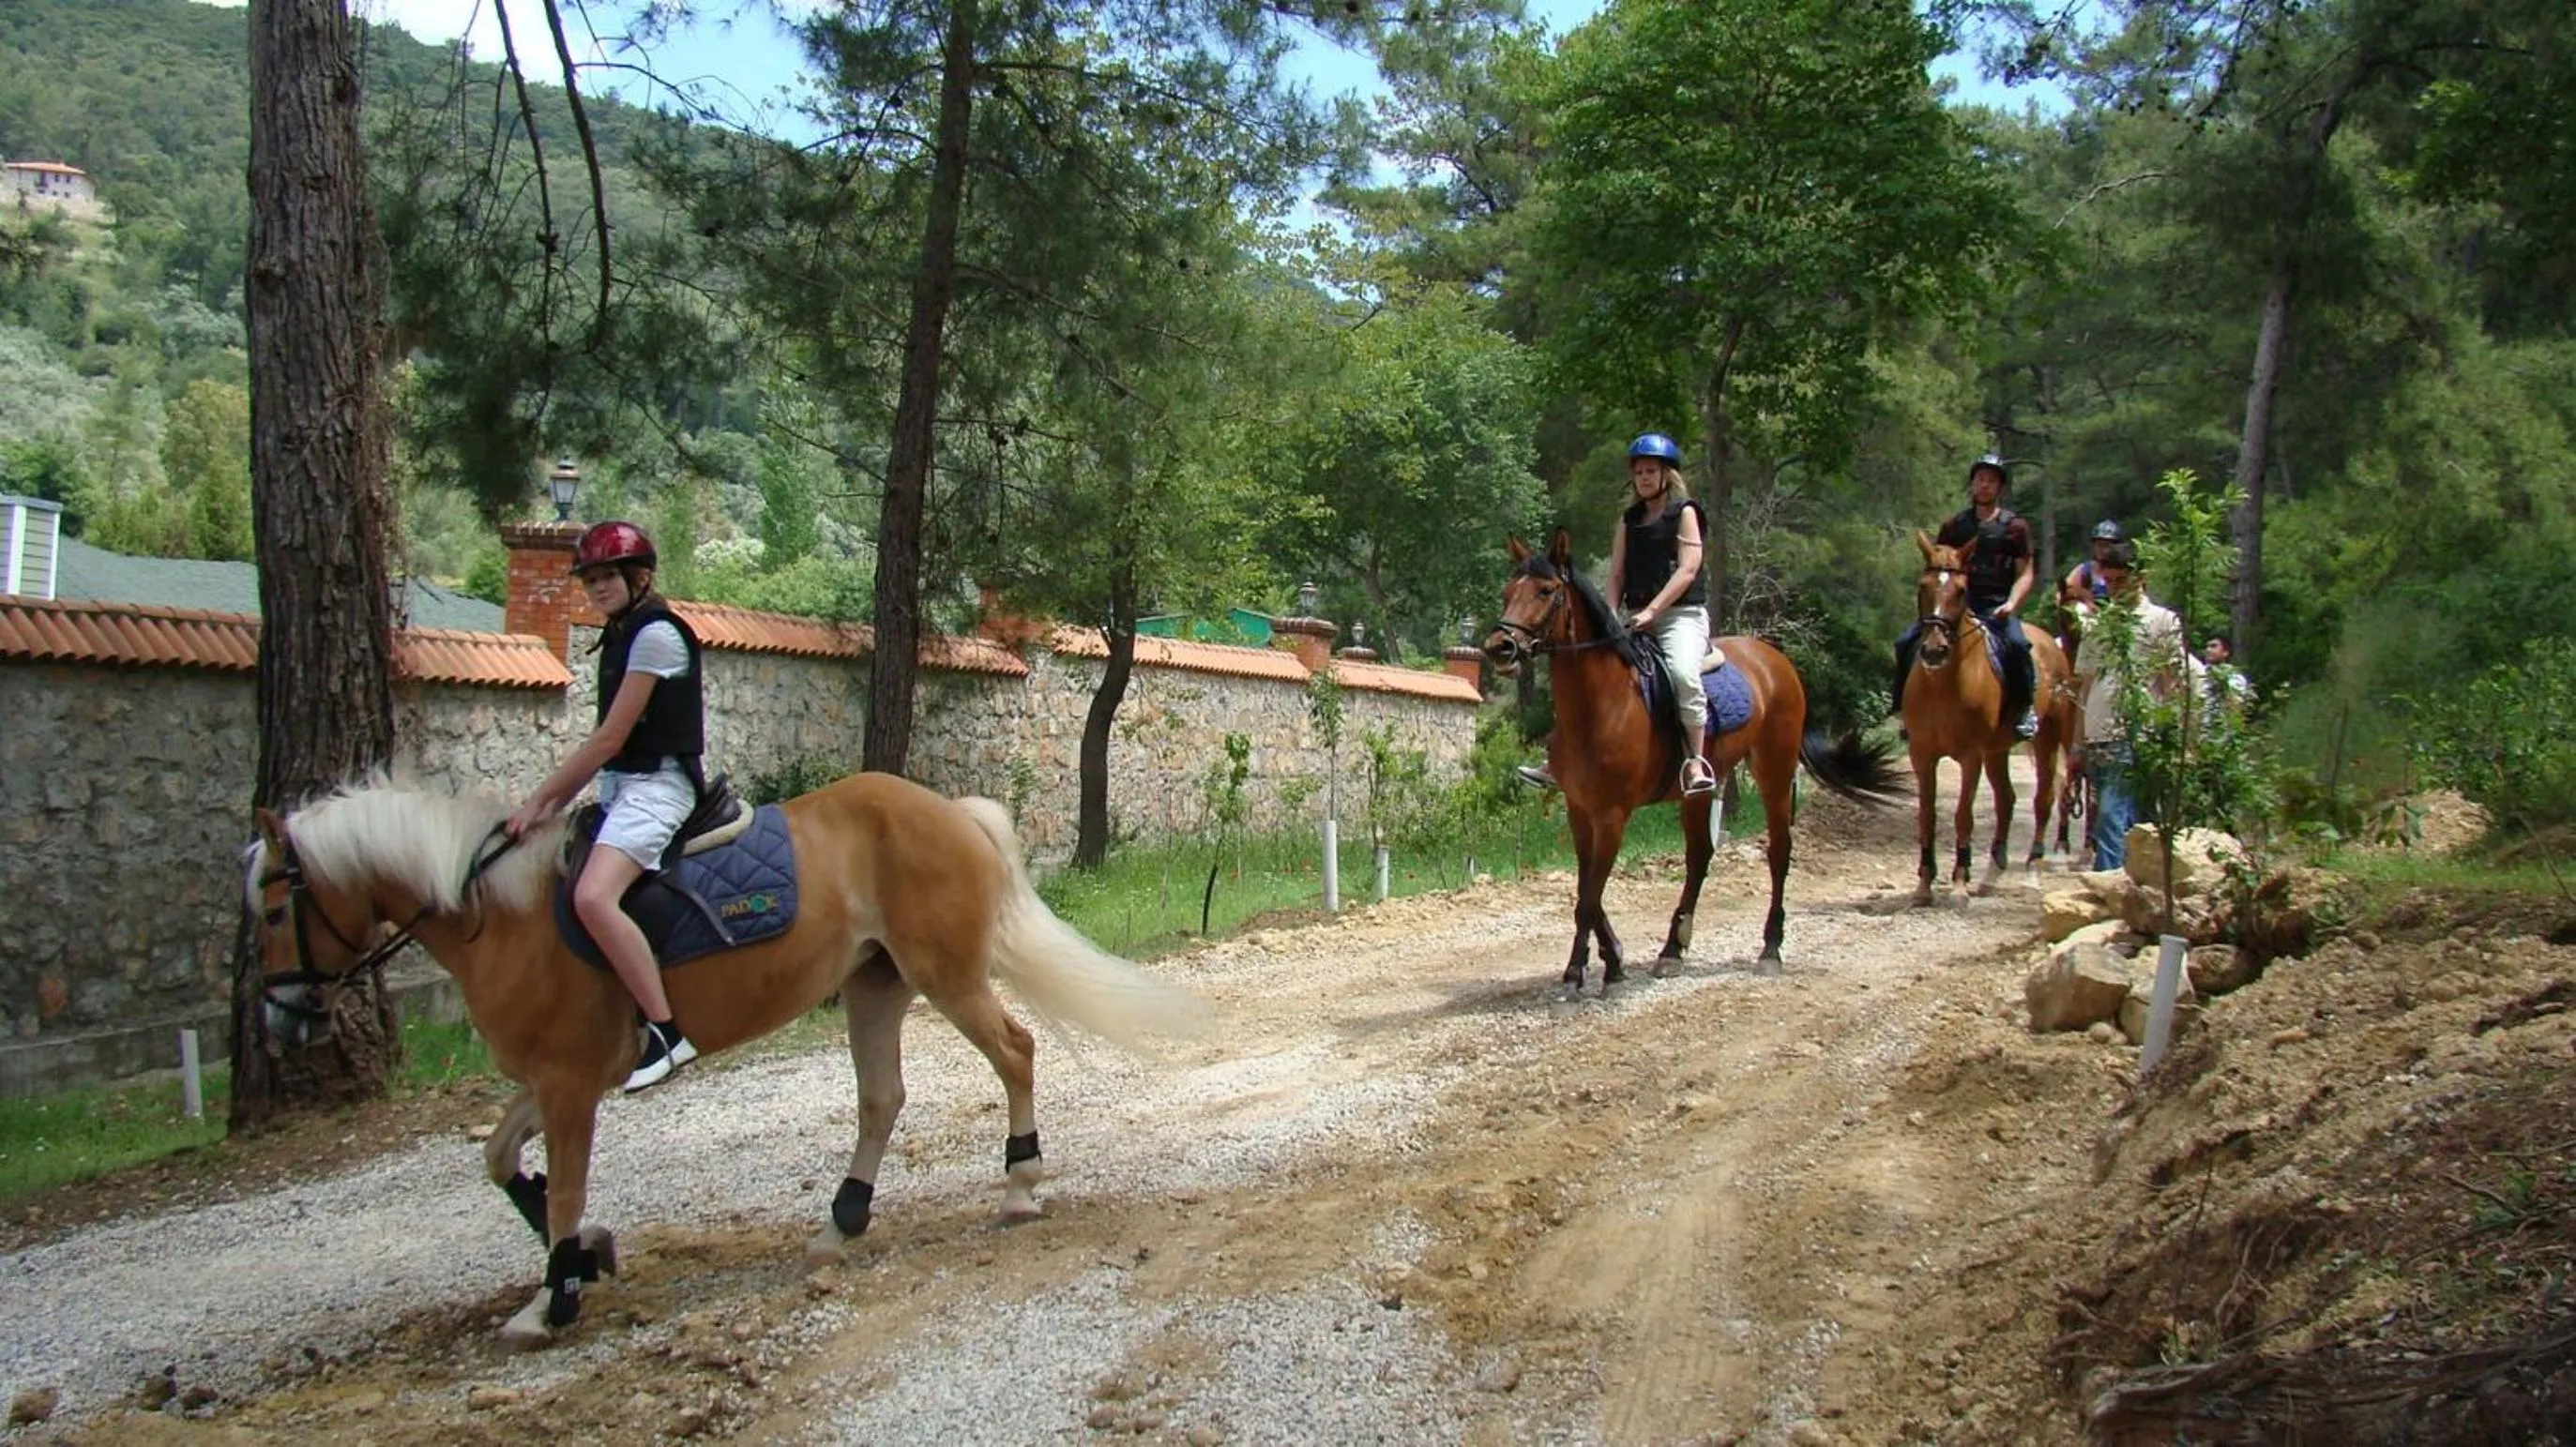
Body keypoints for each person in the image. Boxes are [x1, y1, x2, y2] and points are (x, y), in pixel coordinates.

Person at [506, 520, 705, 1093]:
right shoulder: (619, 634)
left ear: (638, 576)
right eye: (589, 579)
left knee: (594, 896)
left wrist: (542, 802)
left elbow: (608, 740)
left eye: (606, 576)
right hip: (624, 788)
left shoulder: (656, 636)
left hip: (661, 786)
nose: (596, 588)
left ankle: (667, 1032)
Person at [1893, 453, 2039, 738]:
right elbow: (1939, 567)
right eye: (1980, 479)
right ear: (1972, 484)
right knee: (1904, 642)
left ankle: (2024, 710)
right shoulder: (1954, 525)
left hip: (1996, 604)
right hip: (1955, 605)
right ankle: (1903, 710)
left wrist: (2012, 602)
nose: (1985, 485)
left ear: (2000, 488)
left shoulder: (2015, 527)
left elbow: (2026, 573)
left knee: (2019, 645)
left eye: (1992, 481)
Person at [1609, 432, 1720, 797]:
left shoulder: (1684, 512)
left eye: (1650, 470)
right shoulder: (1629, 520)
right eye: (1638, 471)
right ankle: (1562, 755)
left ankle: (1695, 762)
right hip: (1637, 615)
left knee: (1682, 676)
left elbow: (1688, 569)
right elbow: (1617, 573)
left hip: (1680, 617)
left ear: (1666, 475)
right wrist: (1611, 614)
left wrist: (1655, 610)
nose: (1643, 477)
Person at [2070, 543, 2188, 871]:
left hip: (2141, 732)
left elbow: (2173, 683)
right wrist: (2077, 743)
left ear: (2141, 578)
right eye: (2108, 582)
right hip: (2099, 735)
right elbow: (2086, 685)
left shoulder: (2162, 621)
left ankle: (2114, 886)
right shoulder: (2099, 625)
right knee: (2116, 815)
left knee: (2116, 815)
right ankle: (2122, 885)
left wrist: (2179, 736)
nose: (2114, 589)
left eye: (2120, 581)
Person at [2063, 519, 2124, 604]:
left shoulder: (2128, 570)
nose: (2102, 550)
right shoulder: (2085, 570)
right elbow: (2066, 591)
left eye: (2107, 546)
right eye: (2099, 545)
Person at [2201, 635, 2251, 713]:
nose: (2208, 650)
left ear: (2225, 652)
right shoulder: (2201, 673)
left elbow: (2236, 704)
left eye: (2213, 646)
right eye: (2207, 647)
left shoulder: (2235, 678)